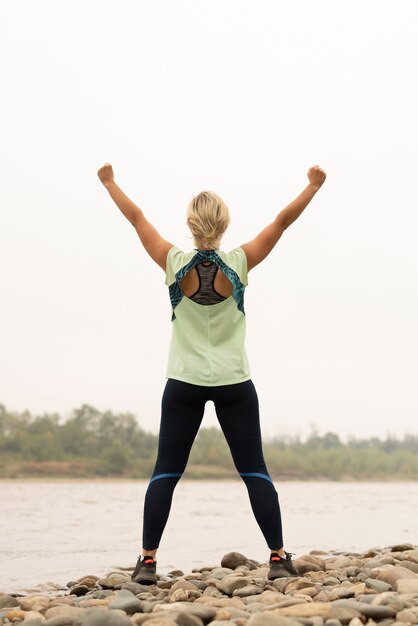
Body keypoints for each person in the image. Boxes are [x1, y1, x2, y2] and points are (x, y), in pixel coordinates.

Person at [97, 163, 326, 583]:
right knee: (254, 470)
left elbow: (136, 219)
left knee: (166, 471)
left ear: (190, 224)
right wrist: (312, 187)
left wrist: (110, 183)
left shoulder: (172, 261)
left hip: (183, 381)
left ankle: (147, 562)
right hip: (234, 382)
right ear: (225, 225)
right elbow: (282, 222)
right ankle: (278, 559)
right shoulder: (239, 262)